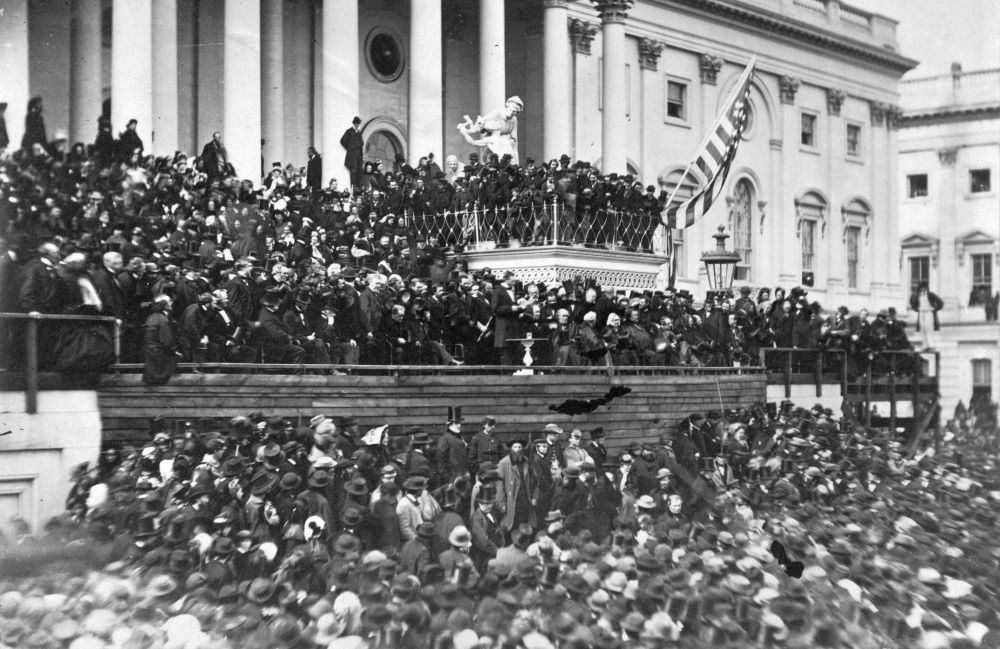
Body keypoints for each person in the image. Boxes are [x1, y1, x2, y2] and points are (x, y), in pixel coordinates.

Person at [142, 294, 177, 385]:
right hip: (158, 354)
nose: (171, 303)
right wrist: (175, 351)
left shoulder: (152, 317)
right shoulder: (162, 319)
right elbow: (167, 341)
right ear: (164, 305)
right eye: (169, 301)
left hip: (149, 353)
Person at [340, 116, 364, 189]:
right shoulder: (349, 131)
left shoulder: (359, 132)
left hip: (358, 155)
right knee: (353, 170)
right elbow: (342, 140)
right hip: (352, 156)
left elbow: (362, 143)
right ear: (353, 123)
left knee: (359, 171)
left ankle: (359, 186)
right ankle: (354, 187)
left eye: (358, 124)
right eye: (356, 123)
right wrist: (350, 148)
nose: (357, 125)